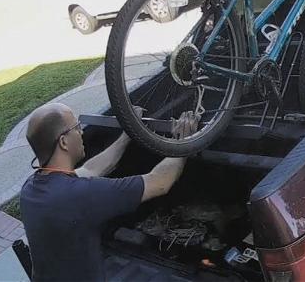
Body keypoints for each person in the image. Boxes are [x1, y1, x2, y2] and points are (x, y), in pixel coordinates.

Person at [19, 103, 195, 281]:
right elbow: (160, 182)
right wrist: (184, 142)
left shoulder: (30, 189)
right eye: (76, 128)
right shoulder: (80, 196)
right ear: (64, 142)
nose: (81, 133)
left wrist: (127, 135)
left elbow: (91, 169)